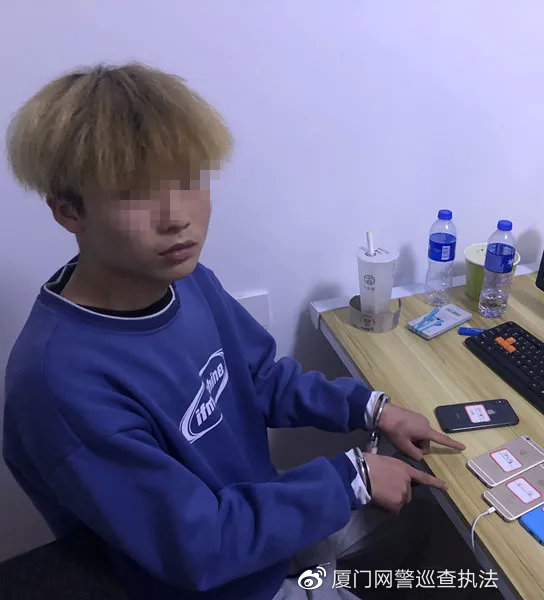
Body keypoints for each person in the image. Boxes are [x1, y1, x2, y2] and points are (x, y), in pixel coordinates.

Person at [2, 63, 466, 600]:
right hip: (227, 581)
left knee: (446, 509)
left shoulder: (187, 281)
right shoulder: (59, 384)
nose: (177, 217)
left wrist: (370, 409)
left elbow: (260, 379)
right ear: (68, 211)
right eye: (134, 193)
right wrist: (350, 478)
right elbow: (195, 543)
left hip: (264, 527)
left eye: (188, 181)